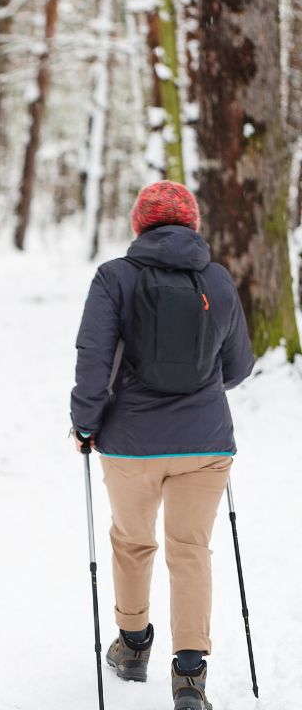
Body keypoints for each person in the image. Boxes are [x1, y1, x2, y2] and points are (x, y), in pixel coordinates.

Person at [70, 181, 254, 710]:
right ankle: (190, 673)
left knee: (132, 542)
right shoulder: (216, 280)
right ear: (192, 224)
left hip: (130, 444)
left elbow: (94, 360)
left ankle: (132, 646)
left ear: (139, 224)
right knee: (191, 550)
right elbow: (238, 368)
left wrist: (85, 423)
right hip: (205, 444)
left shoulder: (114, 278)